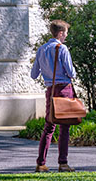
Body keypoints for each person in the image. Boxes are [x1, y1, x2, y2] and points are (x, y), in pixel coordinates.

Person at [31, 20, 76, 172]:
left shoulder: (41, 49)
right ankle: (63, 163)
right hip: (63, 89)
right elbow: (71, 73)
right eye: (66, 34)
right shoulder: (62, 49)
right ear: (61, 33)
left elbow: (33, 74)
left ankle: (41, 162)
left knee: (49, 126)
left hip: (50, 90)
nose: (66, 37)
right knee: (64, 126)